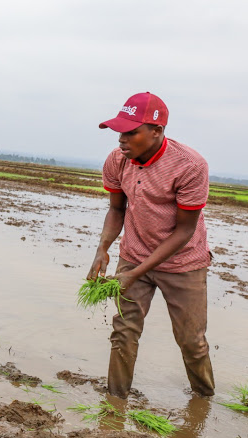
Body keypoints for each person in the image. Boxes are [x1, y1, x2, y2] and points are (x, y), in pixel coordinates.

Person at [87, 92, 214, 399]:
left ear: (156, 131)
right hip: (134, 255)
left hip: (183, 262)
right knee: (123, 331)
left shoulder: (190, 166)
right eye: (120, 132)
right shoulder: (117, 160)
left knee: (191, 340)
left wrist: (136, 272)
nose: (122, 140)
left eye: (131, 132)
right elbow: (117, 210)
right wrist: (102, 248)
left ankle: (204, 399)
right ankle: (115, 404)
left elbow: (184, 231)